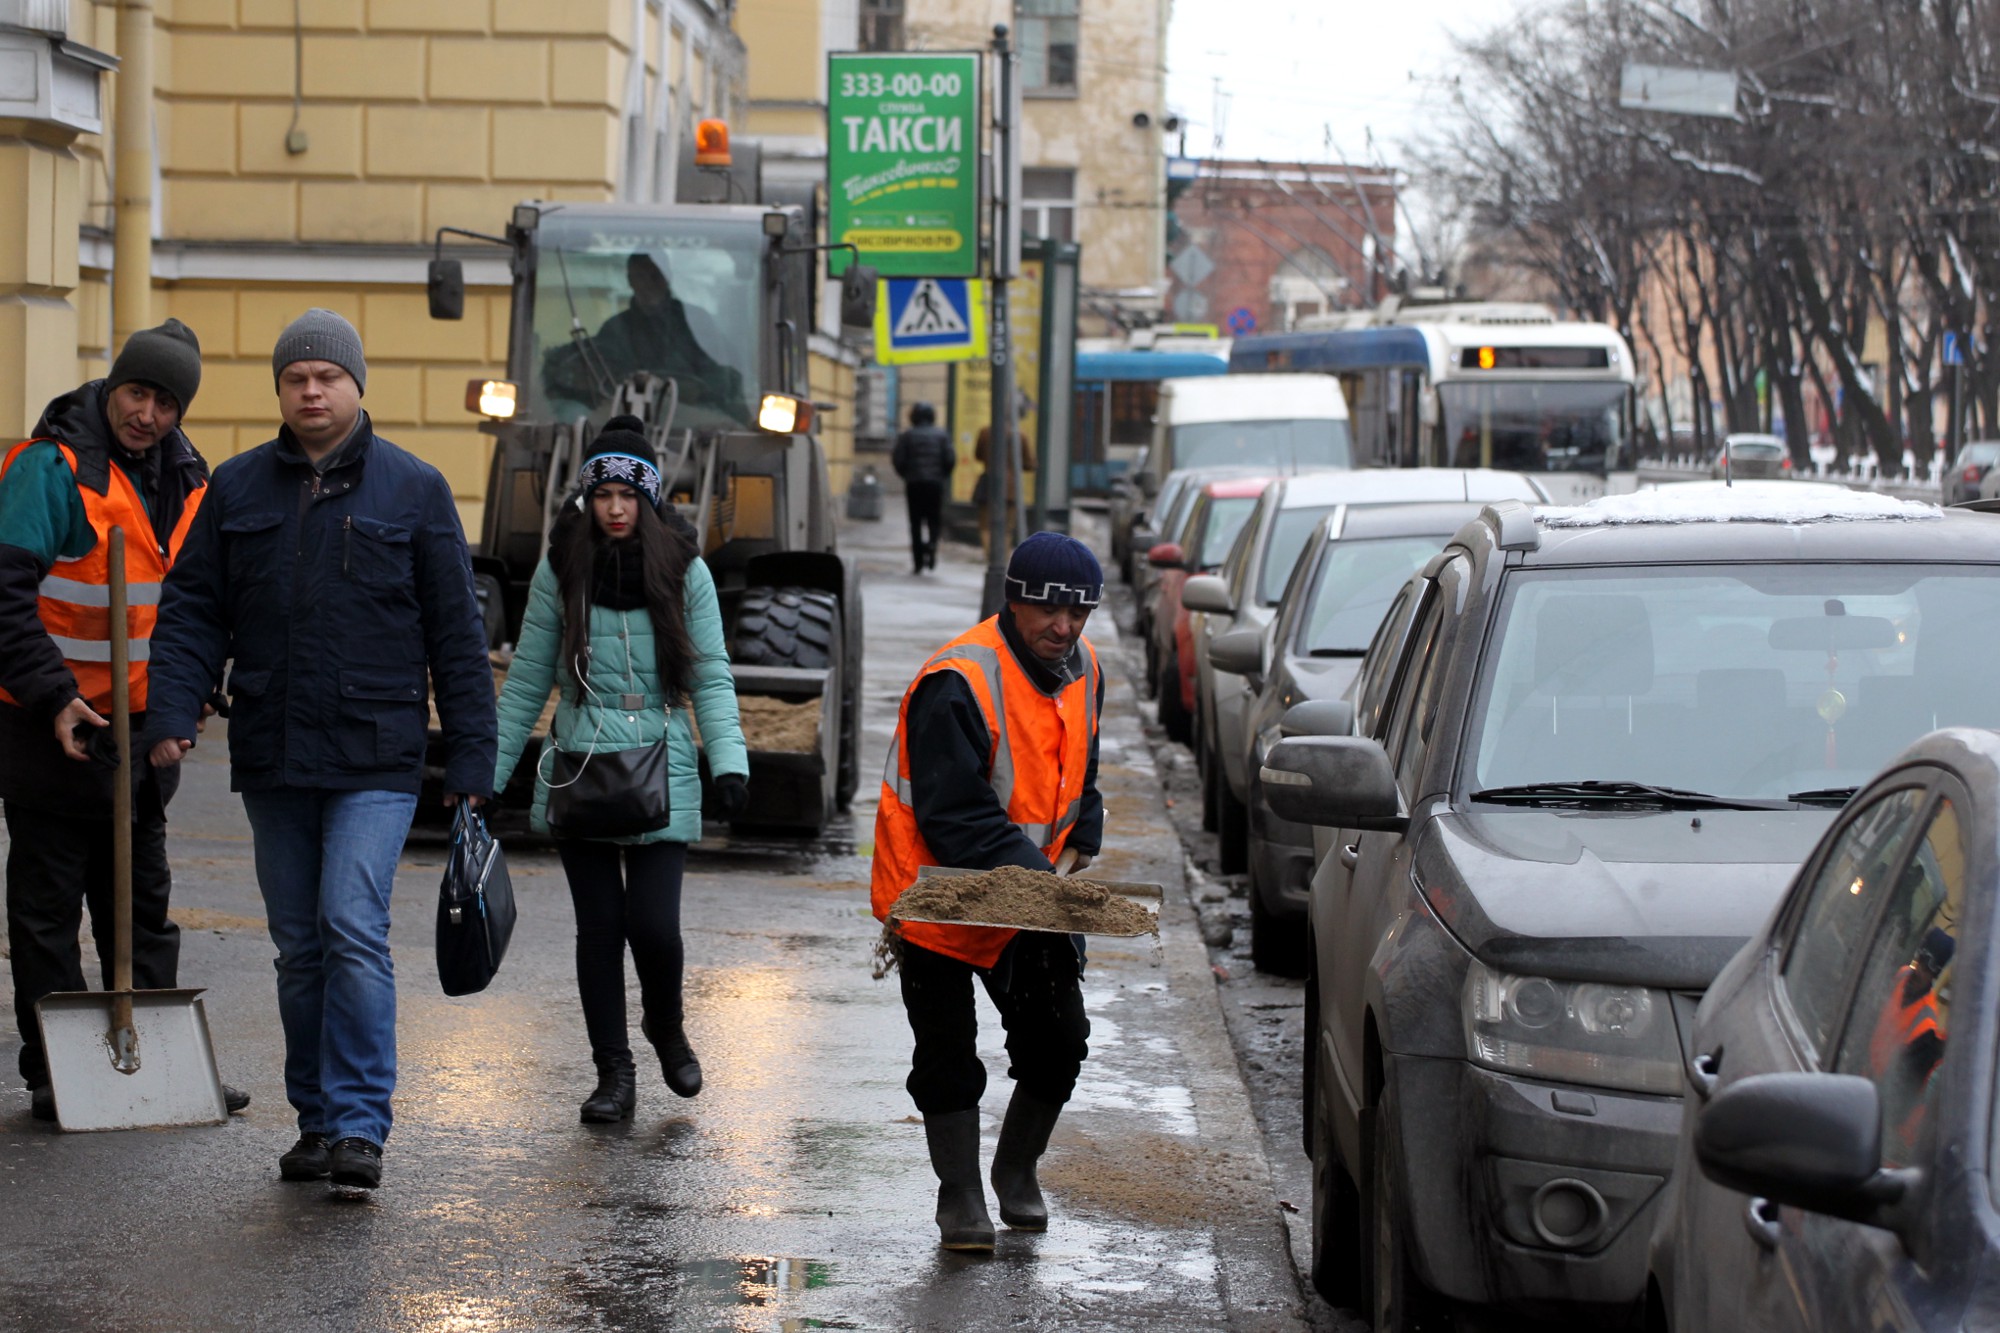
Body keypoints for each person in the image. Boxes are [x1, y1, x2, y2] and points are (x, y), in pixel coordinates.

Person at [144, 309, 495, 1195]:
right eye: (296, 377)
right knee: (298, 946)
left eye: (326, 376)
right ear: (279, 390)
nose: (311, 390)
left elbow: (457, 635)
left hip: (375, 754)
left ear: (355, 385)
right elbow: (190, 610)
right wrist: (172, 712)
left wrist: (471, 765)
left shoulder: (414, 490)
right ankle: (315, 1123)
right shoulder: (236, 490)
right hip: (272, 749)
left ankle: (360, 1125)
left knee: (349, 924)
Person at [0, 319, 251, 1122]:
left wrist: (187, 702)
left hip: (143, 728)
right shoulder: (53, 470)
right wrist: (52, 695)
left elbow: (201, 605)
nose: (147, 413)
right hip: (51, 722)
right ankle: (55, 1069)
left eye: (166, 401)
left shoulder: (188, 480)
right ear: (113, 387)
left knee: (141, 896)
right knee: (45, 903)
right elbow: (5, 595)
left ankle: (154, 1054)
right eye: (136, 392)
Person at [491, 416, 750, 1123]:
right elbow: (527, 679)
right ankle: (613, 1072)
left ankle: (664, 1024)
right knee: (600, 928)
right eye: (602, 491)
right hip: (581, 762)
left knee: (656, 928)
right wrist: (492, 768)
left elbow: (713, 675)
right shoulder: (560, 566)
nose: (613, 507)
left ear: (650, 500)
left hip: (661, 764)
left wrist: (729, 761)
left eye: (627, 494)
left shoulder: (684, 569)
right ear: (586, 495)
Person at [870, 532, 1105, 1250]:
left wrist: (1084, 832)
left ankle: (1016, 1169)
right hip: (938, 895)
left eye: (1078, 613)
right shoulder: (960, 680)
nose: (1062, 627)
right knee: (948, 1056)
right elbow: (953, 815)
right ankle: (961, 1195)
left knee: (1060, 1039)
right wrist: (1039, 884)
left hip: (1026, 897)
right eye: (1047, 610)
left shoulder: (1083, 667)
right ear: (1013, 599)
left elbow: (1079, 764)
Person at [891, 402, 954, 573]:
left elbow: (898, 459)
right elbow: (949, 459)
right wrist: (941, 475)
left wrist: (907, 475)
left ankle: (918, 562)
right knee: (934, 519)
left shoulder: (907, 435)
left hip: (914, 484)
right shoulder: (941, 436)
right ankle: (933, 544)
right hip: (935, 483)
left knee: (915, 522)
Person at [972, 417, 1037, 559]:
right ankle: (1002, 556)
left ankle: (989, 555)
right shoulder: (1020, 435)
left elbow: (978, 455)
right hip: (1011, 486)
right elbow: (1030, 464)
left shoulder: (985, 432)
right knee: (1007, 526)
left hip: (989, 482)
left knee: (985, 523)